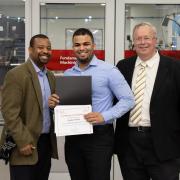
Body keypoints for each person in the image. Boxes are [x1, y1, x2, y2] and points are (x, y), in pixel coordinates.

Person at [48, 28, 134, 180]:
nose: (82, 48)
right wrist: (55, 105)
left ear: (94, 46)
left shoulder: (109, 70)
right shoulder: (68, 74)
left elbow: (128, 100)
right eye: (77, 44)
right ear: (73, 48)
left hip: (99, 138)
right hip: (73, 137)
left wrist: (104, 116)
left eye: (86, 43)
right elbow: (64, 108)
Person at [115, 22, 180, 180]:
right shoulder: (123, 67)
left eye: (147, 38)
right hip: (129, 143)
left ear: (155, 40)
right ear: (133, 43)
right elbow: (111, 99)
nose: (142, 42)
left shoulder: (174, 68)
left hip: (164, 144)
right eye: (138, 38)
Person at [0, 34, 58, 180]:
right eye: (40, 47)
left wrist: (54, 106)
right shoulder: (16, 75)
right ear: (30, 50)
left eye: (48, 48)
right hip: (25, 142)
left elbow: (44, 109)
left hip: (45, 143)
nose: (45, 51)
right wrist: (22, 141)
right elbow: (9, 112)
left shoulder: (50, 76)